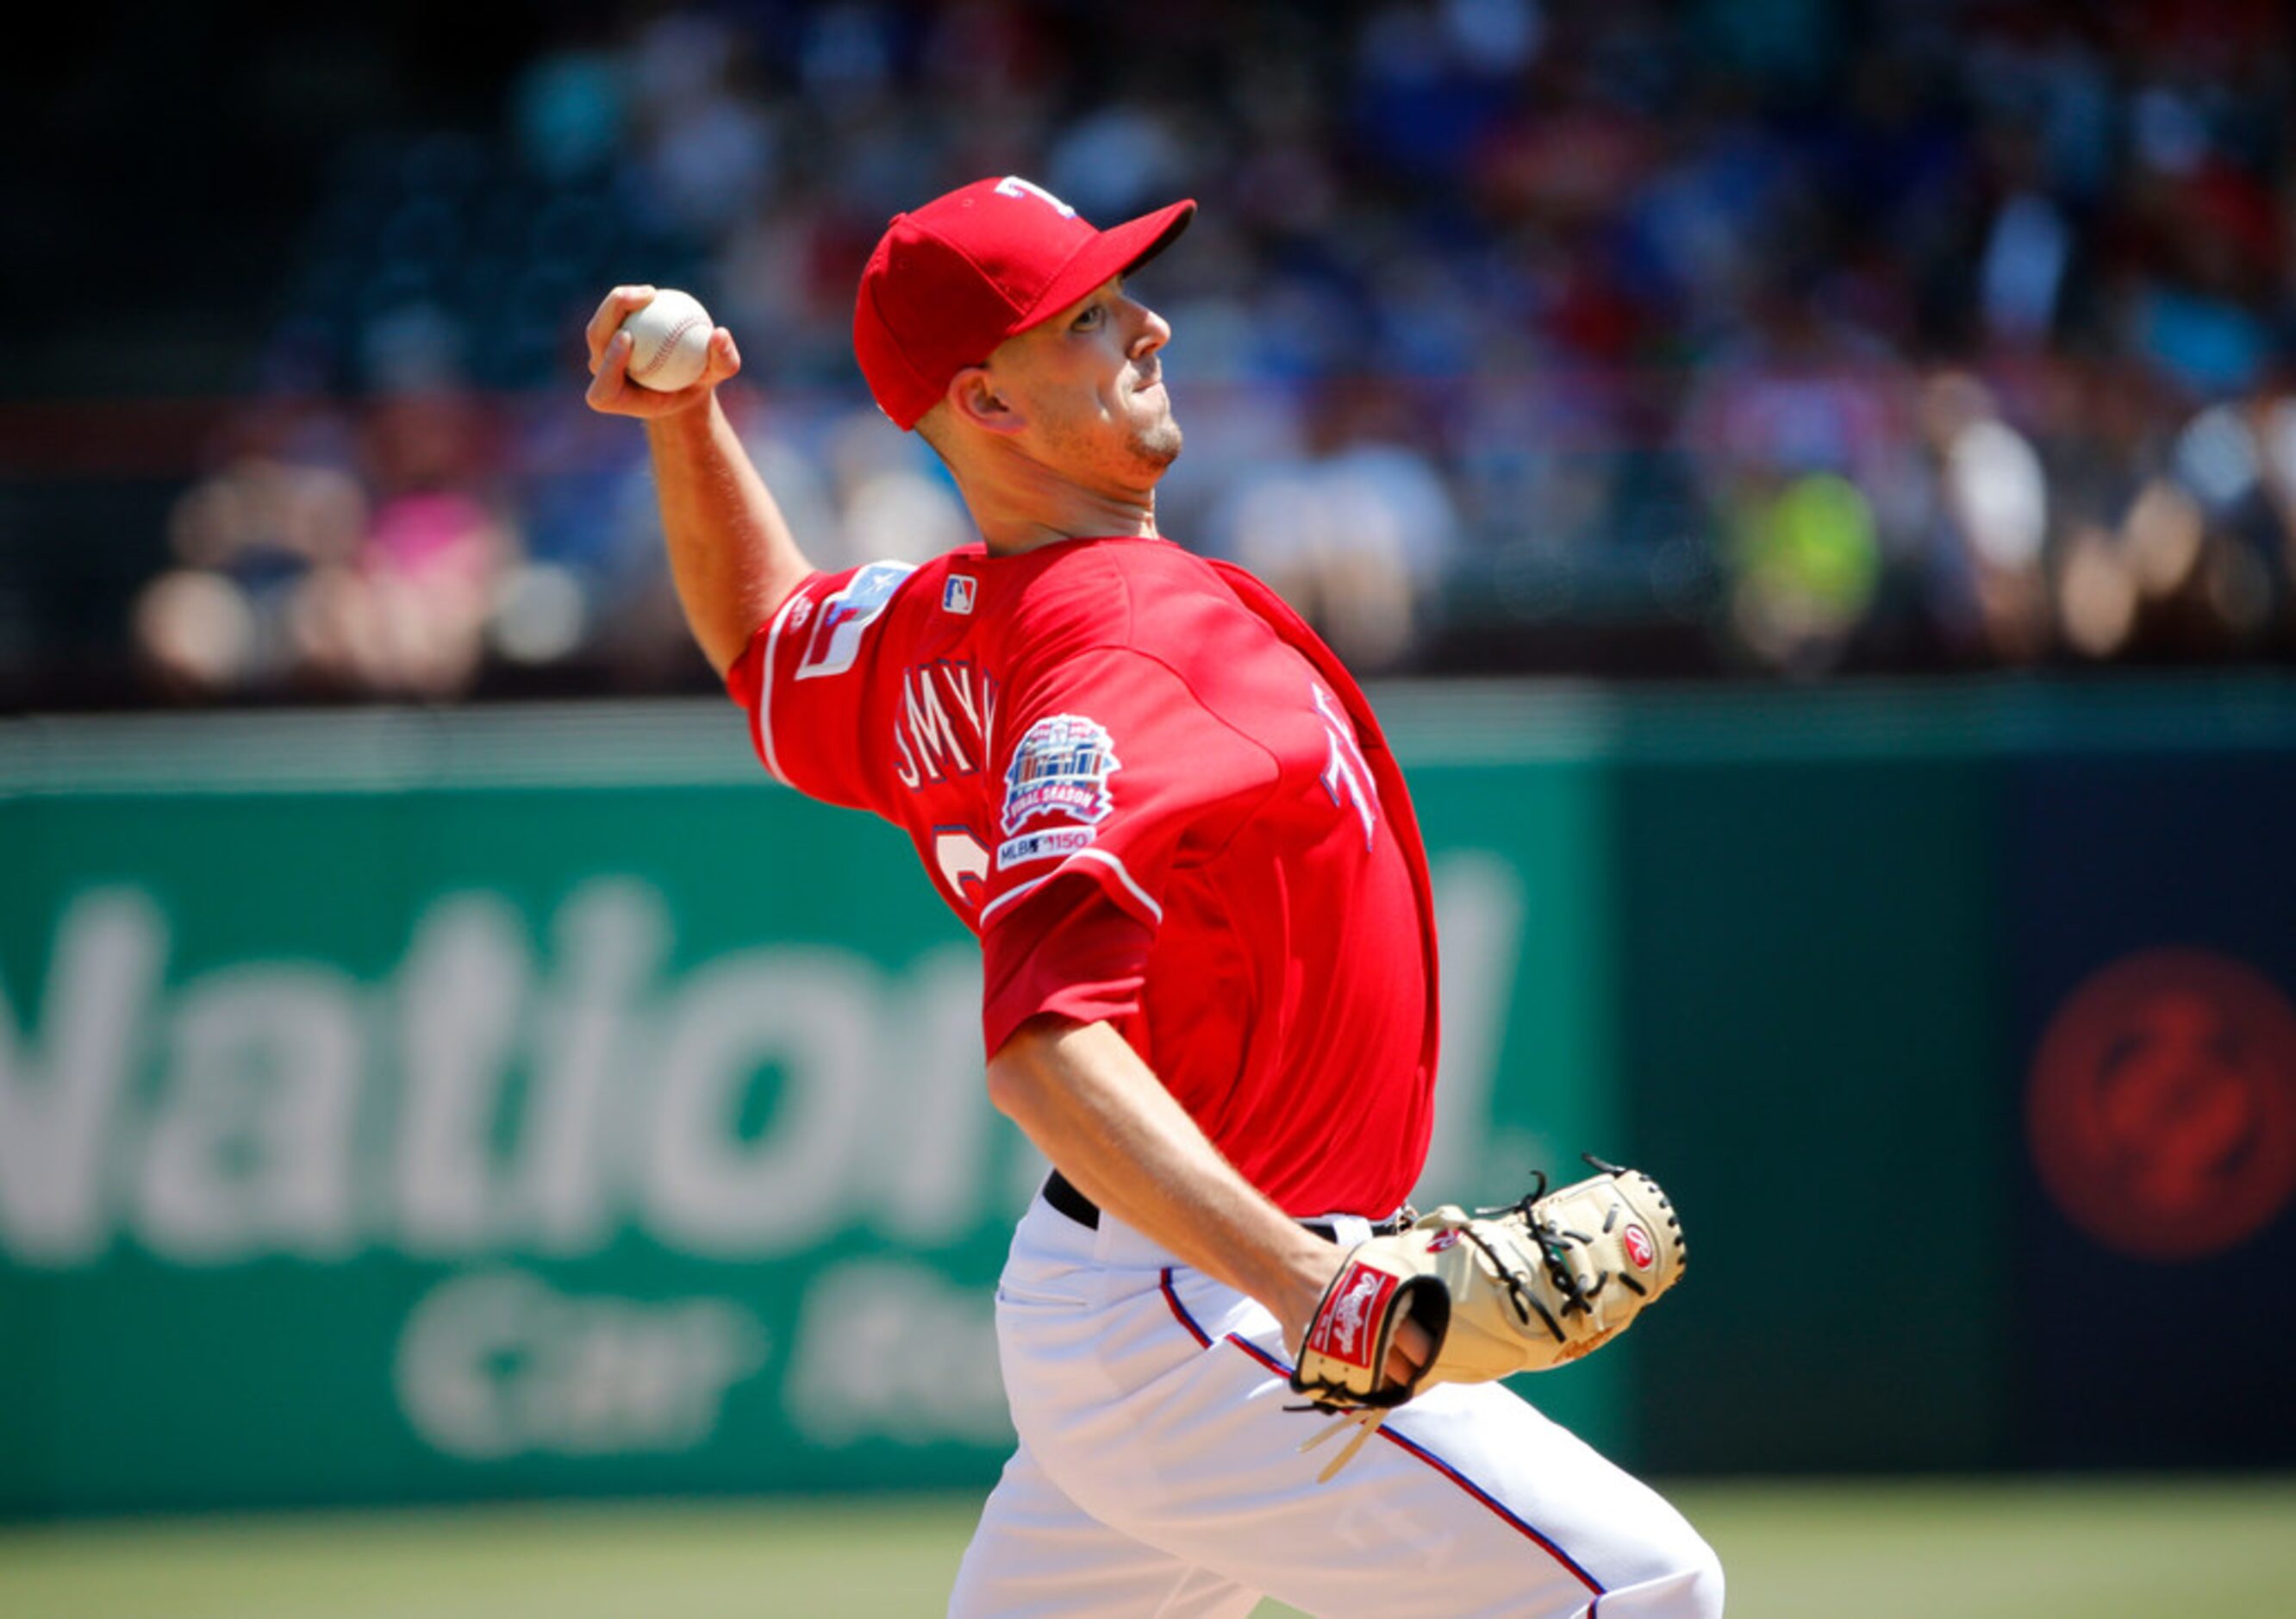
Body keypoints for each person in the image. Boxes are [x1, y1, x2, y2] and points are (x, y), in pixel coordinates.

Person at [583, 174, 1723, 1618]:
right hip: (1212, 1308)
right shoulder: (1116, 646)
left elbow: (764, 640)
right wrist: (1320, 1291)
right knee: (1639, 1590)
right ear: (987, 405)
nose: (1153, 323)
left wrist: (684, 429)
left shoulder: (945, 636)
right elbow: (1045, 1051)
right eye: (1091, 314)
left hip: (1150, 1302)